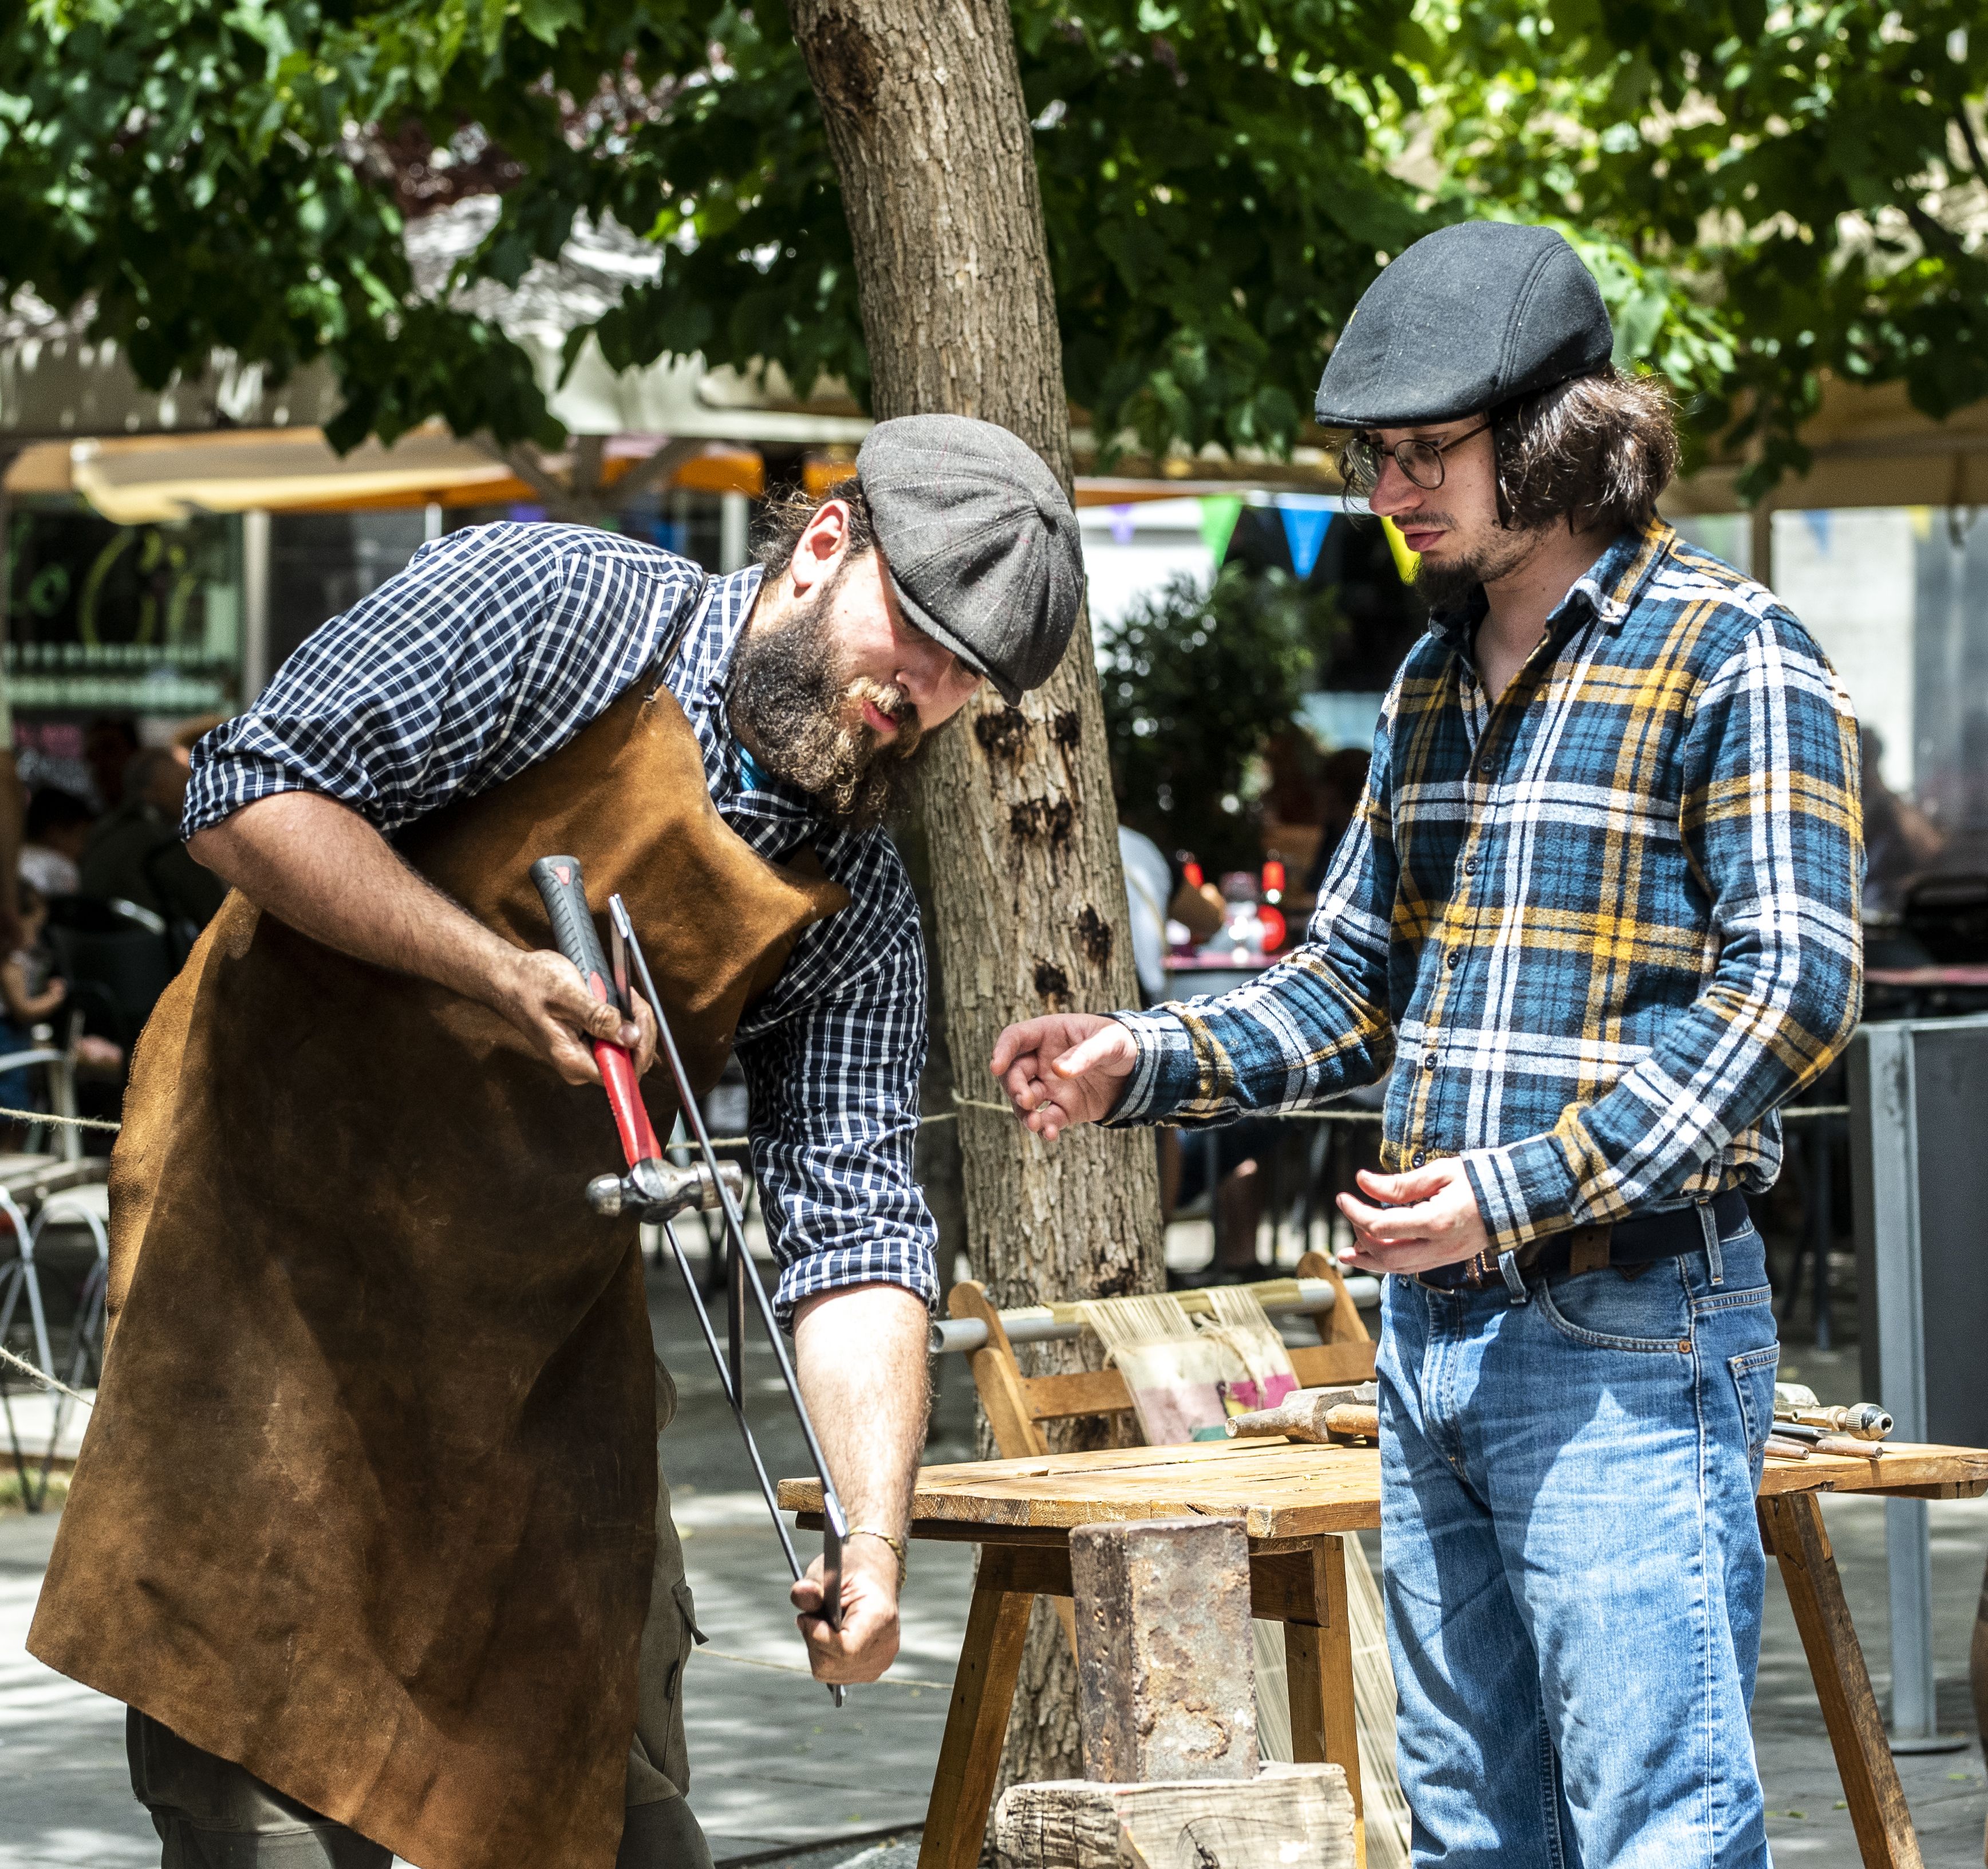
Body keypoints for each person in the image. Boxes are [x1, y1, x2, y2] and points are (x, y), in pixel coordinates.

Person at [32, 415, 1084, 1869]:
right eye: (918, 635)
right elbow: (244, 792)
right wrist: (489, 966)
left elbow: (851, 1226)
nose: (924, 693)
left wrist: (874, 1537)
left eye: (965, 677)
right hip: (271, 1267)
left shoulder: (855, 905)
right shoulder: (557, 608)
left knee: (613, 1828)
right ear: (826, 546)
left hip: (534, 1329)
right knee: (266, 1816)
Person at [991, 222, 1862, 1869]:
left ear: (1549, 436)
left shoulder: (1731, 650)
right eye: (1372, 457)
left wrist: (1511, 1192)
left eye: (1421, 453)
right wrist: (1137, 1058)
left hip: (1632, 1326)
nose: (1388, 491)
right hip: (1432, 1341)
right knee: (1470, 1832)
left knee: (1657, 1833)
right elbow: (1344, 986)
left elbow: (1797, 989)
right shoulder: (1424, 686)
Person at [18, 787, 95, 898]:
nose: (85, 848)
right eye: (82, 836)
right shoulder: (62, 867)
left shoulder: (9, 858)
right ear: (55, 833)